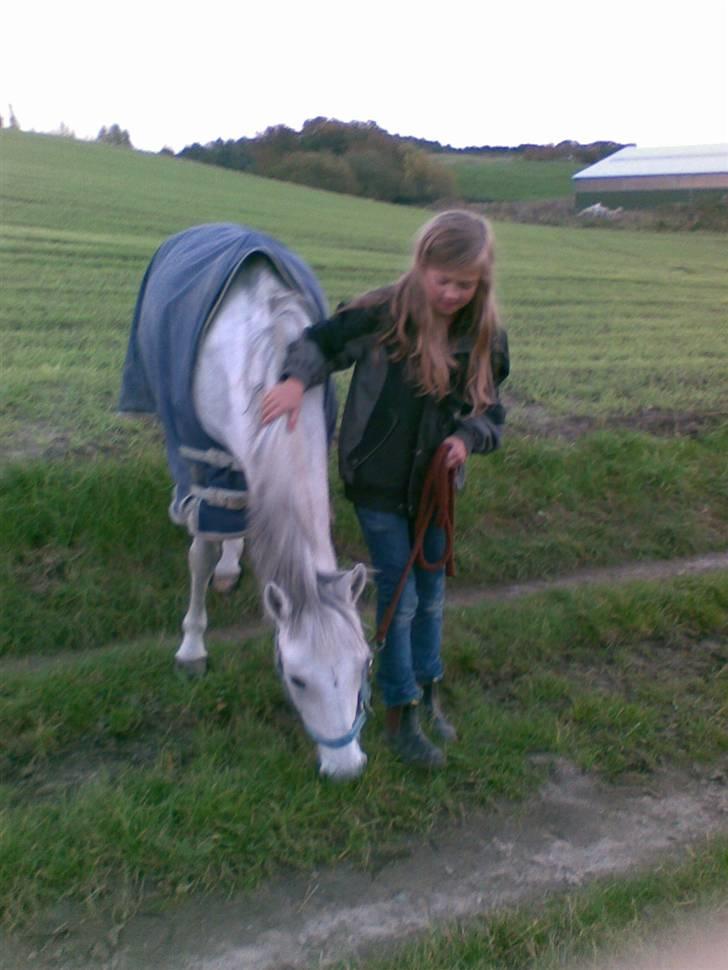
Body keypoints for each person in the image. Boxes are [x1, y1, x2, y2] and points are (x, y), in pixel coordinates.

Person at [261, 210, 510, 767]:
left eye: (463, 284)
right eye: (440, 278)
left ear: (481, 281)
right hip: (375, 485)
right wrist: (297, 381)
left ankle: (429, 690)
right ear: (421, 266)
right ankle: (400, 713)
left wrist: (468, 438)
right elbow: (320, 343)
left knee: (433, 597)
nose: (450, 292)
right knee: (400, 600)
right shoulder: (381, 314)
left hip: (434, 493)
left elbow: (491, 412)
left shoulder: (485, 336)